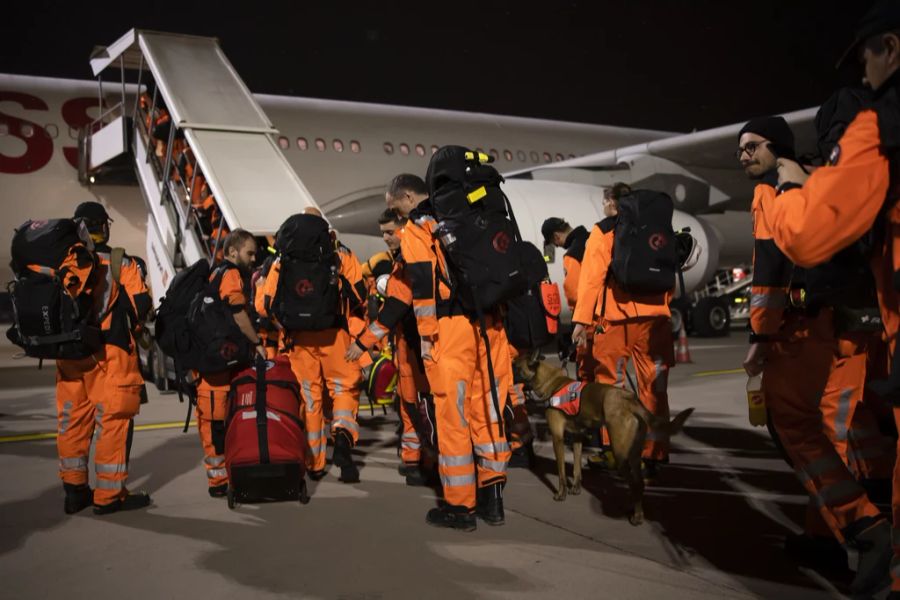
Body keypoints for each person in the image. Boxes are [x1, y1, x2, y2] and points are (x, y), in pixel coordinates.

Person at [755, 4, 900, 594]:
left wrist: (792, 190)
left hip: (830, 328)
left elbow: (811, 239)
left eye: (865, 57)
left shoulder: (881, 121)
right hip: (860, 326)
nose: (863, 75)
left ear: (889, 47)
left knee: (818, 422)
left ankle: (866, 538)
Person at [402, 184, 512, 531]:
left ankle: (460, 507)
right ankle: (493, 501)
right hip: (490, 323)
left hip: (449, 329)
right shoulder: (481, 215)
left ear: (407, 198)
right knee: (490, 411)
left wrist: (426, 336)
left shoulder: (418, 227)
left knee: (453, 417)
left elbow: (422, 284)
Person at [571, 182, 674, 481]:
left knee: (612, 388)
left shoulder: (603, 231)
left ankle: (616, 450)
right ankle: (655, 451)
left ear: (610, 202)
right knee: (655, 388)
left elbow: (591, 280)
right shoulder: (658, 227)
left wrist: (581, 321)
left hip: (616, 320)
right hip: (656, 320)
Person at [57, 205, 152, 515]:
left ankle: (75, 492)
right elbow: (141, 308)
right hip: (109, 354)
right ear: (103, 227)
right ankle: (109, 497)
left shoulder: (64, 262)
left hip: (69, 355)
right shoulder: (121, 262)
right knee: (113, 422)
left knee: (73, 422)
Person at [259, 213, 367, 483]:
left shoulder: (283, 260)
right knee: (342, 389)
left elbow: (264, 305)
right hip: (335, 334)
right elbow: (359, 294)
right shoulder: (340, 255)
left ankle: (315, 463)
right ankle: (342, 433)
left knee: (310, 399)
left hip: (299, 340)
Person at [348, 208, 432, 485]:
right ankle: (413, 460)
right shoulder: (401, 259)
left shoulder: (411, 258)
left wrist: (363, 343)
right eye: (382, 232)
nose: (385, 238)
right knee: (409, 404)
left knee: (420, 405)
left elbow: (395, 308)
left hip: (420, 347)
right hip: (407, 347)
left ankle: (423, 459)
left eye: (389, 232)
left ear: (404, 227)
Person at [195, 229, 264, 497]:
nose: (253, 258)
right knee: (216, 426)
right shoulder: (231, 274)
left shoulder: (214, 274)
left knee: (216, 424)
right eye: (249, 253)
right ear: (233, 252)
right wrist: (256, 342)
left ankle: (222, 478)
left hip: (215, 362)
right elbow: (238, 314)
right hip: (217, 369)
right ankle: (219, 481)